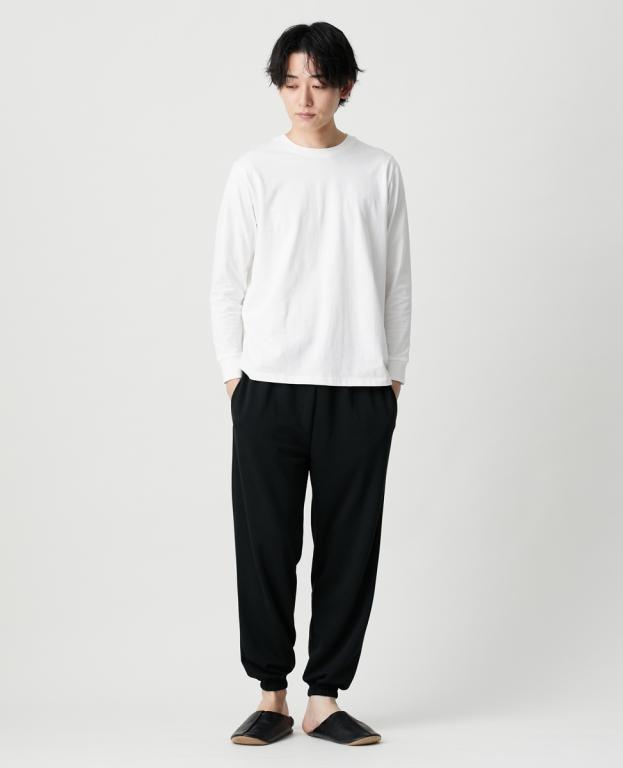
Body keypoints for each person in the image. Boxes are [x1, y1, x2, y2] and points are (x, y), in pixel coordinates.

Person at [209, 21, 412, 747]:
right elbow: (227, 283)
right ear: (279, 86)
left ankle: (324, 698)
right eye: (291, 82)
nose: (304, 97)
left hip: (359, 388)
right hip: (268, 388)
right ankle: (271, 695)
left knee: (349, 548)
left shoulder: (378, 170)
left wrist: (392, 377)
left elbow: (396, 284)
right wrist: (235, 378)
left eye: (319, 82)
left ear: (345, 87)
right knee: (265, 546)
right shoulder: (254, 171)